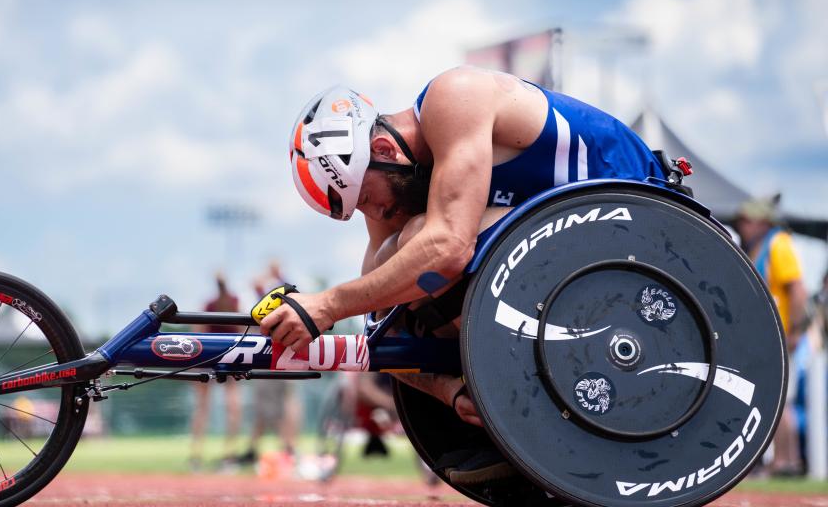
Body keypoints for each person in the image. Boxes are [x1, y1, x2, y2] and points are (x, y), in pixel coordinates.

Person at [261, 66, 666, 428]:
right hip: (572, 257)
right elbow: (379, 326)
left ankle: (523, 384)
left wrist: (329, 304)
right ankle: (513, 391)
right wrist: (446, 390)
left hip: (646, 223)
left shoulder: (454, 95)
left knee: (420, 242)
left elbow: (448, 248)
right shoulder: (395, 185)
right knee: (394, 273)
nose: (377, 212)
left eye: (366, 198)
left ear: (383, 151)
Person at [735, 195, 808, 475]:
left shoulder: (779, 244)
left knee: (778, 400)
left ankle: (786, 462)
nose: (743, 226)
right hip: (770, 336)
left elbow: (798, 289)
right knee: (774, 397)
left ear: (762, 222)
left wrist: (795, 330)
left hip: (781, 335)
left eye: (748, 220)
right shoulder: (762, 246)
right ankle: (786, 462)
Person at [239, 260, 303, 465]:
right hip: (282, 347)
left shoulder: (280, 288)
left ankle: (288, 446)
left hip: (276, 348)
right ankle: (274, 446)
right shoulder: (278, 288)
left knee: (280, 402)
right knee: (271, 403)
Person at [189, 273, 243, 472]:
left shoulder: (222, 303)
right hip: (222, 356)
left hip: (220, 356)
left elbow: (199, 331)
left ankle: (201, 456)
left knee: (210, 409)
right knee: (222, 409)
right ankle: (221, 456)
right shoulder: (228, 302)